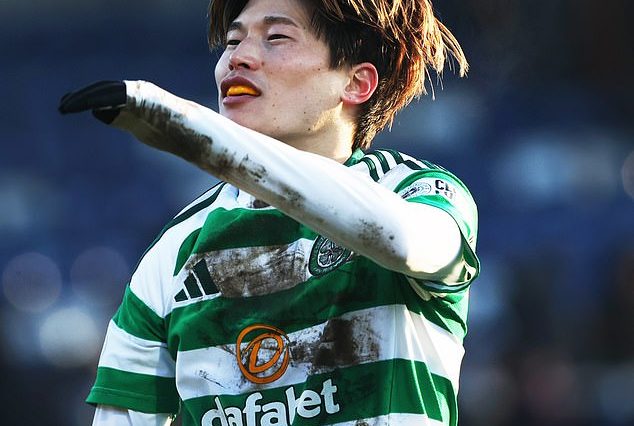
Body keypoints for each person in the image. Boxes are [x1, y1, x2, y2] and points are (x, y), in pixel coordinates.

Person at [59, 0, 479, 424]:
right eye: (232, 41)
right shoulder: (175, 251)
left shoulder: (417, 194)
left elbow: (402, 240)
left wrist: (189, 129)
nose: (237, 58)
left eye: (276, 37)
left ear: (356, 83)